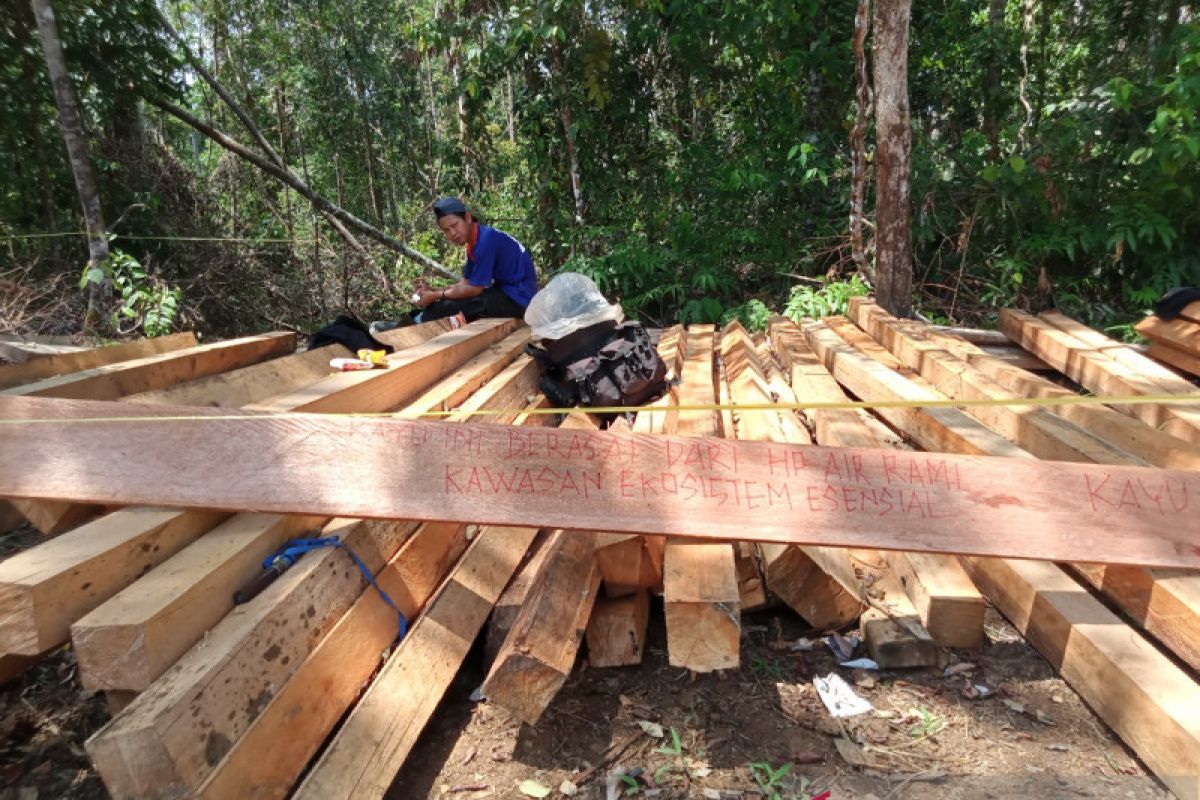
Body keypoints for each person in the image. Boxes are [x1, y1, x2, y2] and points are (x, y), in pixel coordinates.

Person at [409, 196, 538, 324]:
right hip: (507, 292)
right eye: (446, 230)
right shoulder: (475, 242)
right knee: (460, 303)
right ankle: (420, 318)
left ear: (468, 218)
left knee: (467, 305)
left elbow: (475, 290)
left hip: (519, 299)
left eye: (454, 225)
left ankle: (419, 321)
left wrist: (437, 295)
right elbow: (467, 283)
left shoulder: (485, 241)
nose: (452, 233)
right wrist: (433, 290)